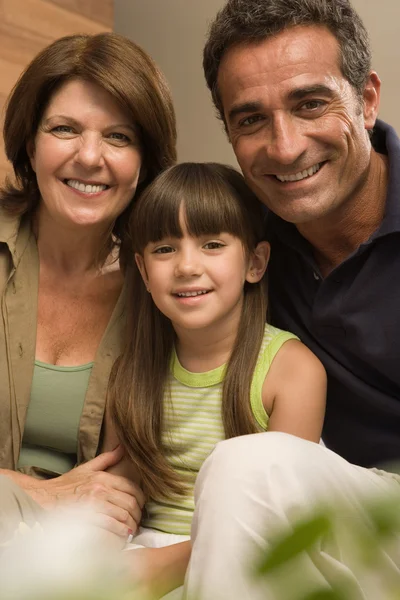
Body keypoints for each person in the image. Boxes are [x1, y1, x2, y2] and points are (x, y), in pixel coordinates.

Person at [167, 0, 400, 598]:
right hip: (329, 503)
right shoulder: (248, 248)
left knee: (249, 465)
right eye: (250, 120)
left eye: (310, 103)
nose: (285, 146)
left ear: (367, 100)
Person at [107, 161, 327, 598]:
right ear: (143, 270)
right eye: (165, 249)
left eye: (211, 244)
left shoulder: (292, 370)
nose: (187, 266)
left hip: (252, 556)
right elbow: (119, 496)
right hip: (144, 551)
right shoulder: (130, 370)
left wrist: (166, 568)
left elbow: (280, 518)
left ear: (255, 262)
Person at [0, 31, 176, 544]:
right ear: (29, 144)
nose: (90, 156)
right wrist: (42, 496)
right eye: (64, 128)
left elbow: (124, 495)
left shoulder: (166, 290)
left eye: (119, 137)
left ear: (145, 163)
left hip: (76, 552)